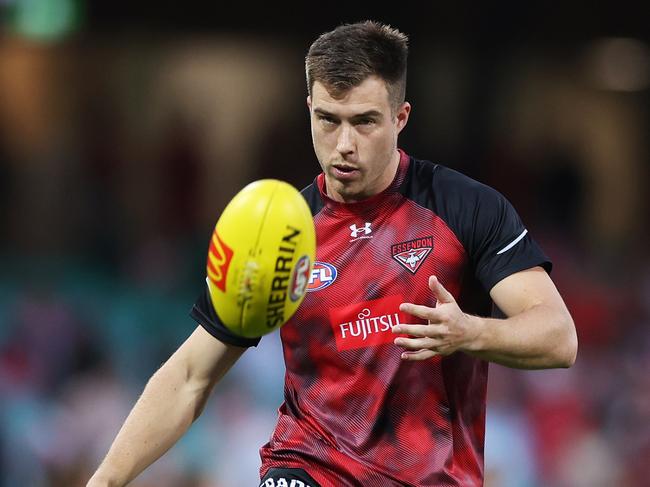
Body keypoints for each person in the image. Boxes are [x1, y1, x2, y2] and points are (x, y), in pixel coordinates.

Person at [87, 20, 578, 487]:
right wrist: (105, 479)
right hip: (307, 464)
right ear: (309, 110)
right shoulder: (279, 230)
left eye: (365, 122)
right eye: (328, 120)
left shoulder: (464, 207)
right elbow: (191, 375)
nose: (344, 145)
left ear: (400, 117)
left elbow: (558, 338)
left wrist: (471, 331)